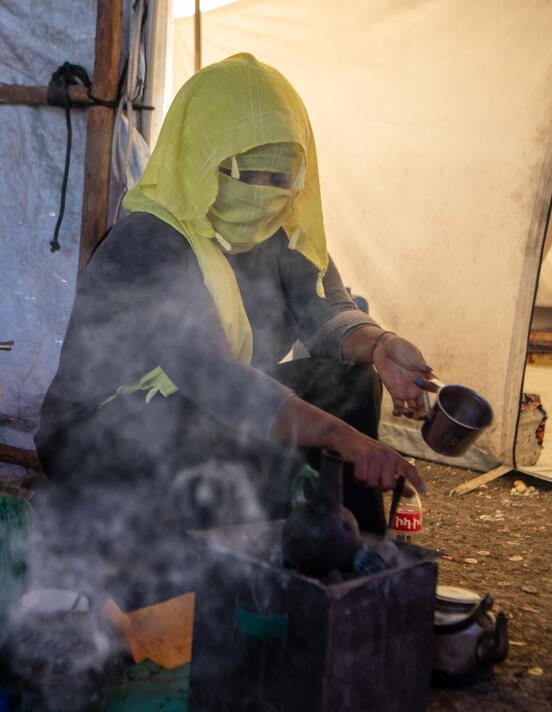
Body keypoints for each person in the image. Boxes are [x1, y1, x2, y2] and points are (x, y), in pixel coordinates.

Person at [32, 53, 434, 607]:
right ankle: (259, 574)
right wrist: (341, 436)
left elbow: (326, 312)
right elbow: (214, 379)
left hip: (202, 405)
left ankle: (355, 565)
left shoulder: (279, 231)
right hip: (98, 431)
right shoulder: (150, 240)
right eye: (248, 175)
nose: (266, 193)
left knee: (349, 382)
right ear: (203, 160)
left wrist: (382, 347)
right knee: (259, 431)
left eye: (282, 177)